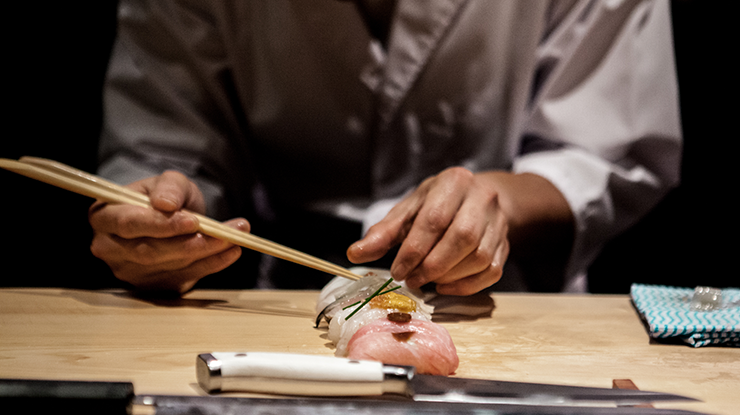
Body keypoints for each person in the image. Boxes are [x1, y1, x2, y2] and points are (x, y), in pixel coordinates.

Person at [89, 0, 681, 296]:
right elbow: (162, 144)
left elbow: (605, 148)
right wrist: (151, 216)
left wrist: (495, 201)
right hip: (259, 291)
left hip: (501, 296)